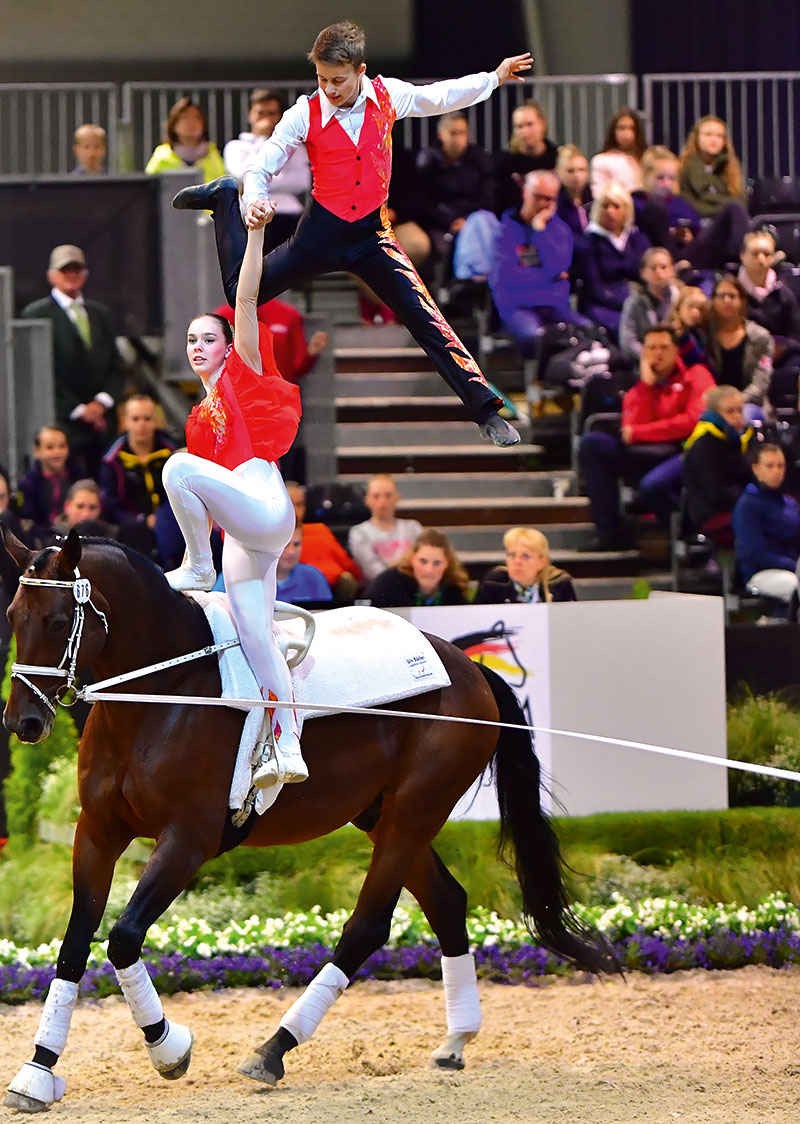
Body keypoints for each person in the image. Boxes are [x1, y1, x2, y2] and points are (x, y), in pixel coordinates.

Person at [172, 22, 532, 448]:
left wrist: (492, 78)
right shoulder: (304, 112)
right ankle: (224, 201)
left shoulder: (387, 95)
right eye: (322, 80)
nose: (329, 89)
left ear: (360, 70)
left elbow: (440, 96)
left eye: (338, 80)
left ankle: (485, 409)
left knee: (425, 316)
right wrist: (254, 199)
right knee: (239, 294)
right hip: (321, 231)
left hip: (372, 235)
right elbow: (263, 163)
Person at [161, 223, 305, 789]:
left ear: (228, 345)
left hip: (264, 502)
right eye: (191, 341)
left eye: (207, 339)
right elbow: (207, 493)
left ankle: (199, 565)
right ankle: (287, 744)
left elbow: (245, 295)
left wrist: (255, 232)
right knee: (255, 634)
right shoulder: (200, 416)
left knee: (175, 467)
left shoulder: (242, 372)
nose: (198, 348)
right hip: (245, 532)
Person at [578, 325, 716, 549]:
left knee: (652, 486)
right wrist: (647, 386)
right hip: (643, 454)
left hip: (682, 454)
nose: (658, 353)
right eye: (651, 348)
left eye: (664, 347)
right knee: (592, 444)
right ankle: (611, 530)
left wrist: (642, 433)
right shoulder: (639, 387)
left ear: (677, 351)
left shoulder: (696, 375)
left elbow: (692, 422)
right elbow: (629, 428)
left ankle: (688, 536)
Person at [20, 244, 125, 478]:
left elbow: (116, 366)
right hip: (63, 423)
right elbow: (37, 373)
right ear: (51, 275)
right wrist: (79, 410)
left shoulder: (100, 314)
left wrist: (101, 403)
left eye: (77, 269)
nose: (71, 275)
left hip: (103, 427)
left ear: (85, 274)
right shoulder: (36, 315)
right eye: (65, 270)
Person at [488, 170, 589, 358]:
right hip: (517, 307)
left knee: (591, 332)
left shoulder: (560, 230)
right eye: (539, 197)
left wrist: (540, 231)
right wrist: (549, 276)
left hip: (555, 306)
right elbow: (505, 277)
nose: (545, 204)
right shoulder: (503, 231)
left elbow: (558, 266)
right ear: (525, 192)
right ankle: (537, 383)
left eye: (551, 199)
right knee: (536, 338)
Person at [634, 146, 748, 272]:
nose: (667, 184)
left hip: (688, 257)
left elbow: (698, 234)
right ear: (645, 175)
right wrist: (670, 234)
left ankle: (746, 264)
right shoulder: (634, 202)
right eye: (660, 178)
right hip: (656, 259)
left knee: (734, 207)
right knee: (655, 206)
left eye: (671, 178)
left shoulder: (680, 204)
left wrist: (688, 236)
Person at [223, 88, 311, 244]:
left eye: (271, 113)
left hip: (289, 216)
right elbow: (242, 175)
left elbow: (301, 181)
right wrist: (262, 139)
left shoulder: (295, 148)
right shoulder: (235, 146)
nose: (266, 119)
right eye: (260, 113)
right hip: (251, 217)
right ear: (250, 114)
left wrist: (262, 181)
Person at [100, 394, 179, 562]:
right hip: (131, 527)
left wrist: (162, 517)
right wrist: (142, 520)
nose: (141, 425)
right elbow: (110, 505)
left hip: (170, 520)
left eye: (147, 418)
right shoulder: (112, 460)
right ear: (125, 422)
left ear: (156, 421)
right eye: (135, 419)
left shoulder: (172, 453)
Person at [416, 110, 496, 264]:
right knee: (443, 247)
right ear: (441, 135)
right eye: (453, 133)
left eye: (462, 133)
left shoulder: (479, 160)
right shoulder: (427, 162)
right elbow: (423, 202)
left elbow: (488, 197)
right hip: (438, 224)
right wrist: (448, 221)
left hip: (474, 220)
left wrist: (467, 220)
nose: (458, 139)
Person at [574, 183, 650, 341]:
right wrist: (629, 304)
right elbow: (595, 289)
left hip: (635, 298)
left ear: (627, 209)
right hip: (602, 304)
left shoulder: (637, 238)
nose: (610, 211)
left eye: (616, 206)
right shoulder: (588, 242)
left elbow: (646, 275)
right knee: (626, 326)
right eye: (605, 206)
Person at [682, 385, 752, 543]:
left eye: (740, 410)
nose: (737, 416)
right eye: (730, 411)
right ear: (714, 414)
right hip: (711, 513)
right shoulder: (704, 446)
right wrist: (749, 500)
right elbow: (715, 493)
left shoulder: (737, 439)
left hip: (738, 505)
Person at [738, 230, 800, 406]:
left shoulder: (784, 294)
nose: (761, 259)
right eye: (755, 253)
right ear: (743, 255)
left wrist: (785, 346)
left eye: (766, 254)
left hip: (780, 357)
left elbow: (797, 332)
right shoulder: (733, 292)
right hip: (746, 356)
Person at [733, 443, 800, 606]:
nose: (776, 471)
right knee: (794, 585)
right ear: (756, 468)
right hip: (760, 572)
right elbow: (754, 553)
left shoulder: (790, 503)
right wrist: (794, 565)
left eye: (780, 466)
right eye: (769, 466)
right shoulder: (747, 505)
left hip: (794, 567)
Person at [703, 275, 774, 423]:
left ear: (742, 301)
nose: (727, 301)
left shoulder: (760, 337)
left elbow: (761, 383)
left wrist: (734, 402)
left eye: (732, 296)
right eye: (722, 296)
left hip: (748, 403)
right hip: (712, 403)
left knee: (738, 419)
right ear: (713, 300)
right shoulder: (704, 334)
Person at [285, 481, 362, 600]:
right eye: (289, 503)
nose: (294, 510)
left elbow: (350, 568)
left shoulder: (320, 530)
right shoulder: (265, 535)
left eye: (299, 504)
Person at [366, 527, 469, 607]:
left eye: (437, 563)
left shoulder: (455, 589)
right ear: (411, 559)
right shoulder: (387, 583)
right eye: (423, 561)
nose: (429, 570)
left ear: (447, 563)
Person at [347, 473, 423, 582]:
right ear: (367, 500)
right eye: (376, 496)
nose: (382, 501)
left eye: (388, 495)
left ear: (397, 497)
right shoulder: (359, 532)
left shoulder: (413, 528)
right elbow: (372, 570)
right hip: (380, 590)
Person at [475, 526, 576, 603]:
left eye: (525, 556)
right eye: (512, 555)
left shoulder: (559, 583)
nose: (517, 561)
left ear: (542, 562)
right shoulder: (493, 583)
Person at [494, 100, 558, 216]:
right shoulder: (503, 162)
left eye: (530, 124)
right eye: (519, 126)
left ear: (542, 124)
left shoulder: (557, 158)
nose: (525, 131)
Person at [17, 425, 79, 546]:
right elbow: (27, 520)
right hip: (42, 540)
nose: (57, 452)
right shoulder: (27, 484)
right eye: (50, 447)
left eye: (62, 446)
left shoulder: (78, 477)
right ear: (37, 451)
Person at [619, 247, 681, 361]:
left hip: (677, 361)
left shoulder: (679, 298)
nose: (658, 272)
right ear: (642, 272)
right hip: (645, 363)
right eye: (653, 268)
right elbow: (627, 342)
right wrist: (650, 356)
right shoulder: (633, 303)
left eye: (663, 267)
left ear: (672, 270)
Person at [678, 116, 745, 218]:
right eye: (708, 134)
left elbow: (740, 203)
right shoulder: (684, 168)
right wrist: (726, 208)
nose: (713, 140)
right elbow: (688, 204)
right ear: (696, 138)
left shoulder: (730, 169)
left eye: (719, 136)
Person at [145, 97, 225, 182]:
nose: (191, 123)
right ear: (174, 125)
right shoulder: (161, 158)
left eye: (196, 118)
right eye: (185, 118)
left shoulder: (214, 156)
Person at [590, 107, 646, 196]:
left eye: (631, 128)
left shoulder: (644, 159)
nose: (627, 133)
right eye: (622, 128)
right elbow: (599, 194)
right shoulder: (601, 160)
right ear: (614, 131)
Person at [276, 524, 333, 604]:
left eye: (296, 544)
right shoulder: (254, 581)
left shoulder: (314, 576)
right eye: (285, 544)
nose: (291, 551)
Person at [48, 478, 115, 540]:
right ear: (67, 506)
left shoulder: (112, 537)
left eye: (92, 508)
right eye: (80, 506)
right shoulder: (50, 538)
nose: (86, 514)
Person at [555, 144, 591, 243]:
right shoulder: (554, 204)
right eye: (570, 171)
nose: (577, 176)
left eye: (582, 170)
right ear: (558, 173)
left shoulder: (595, 200)